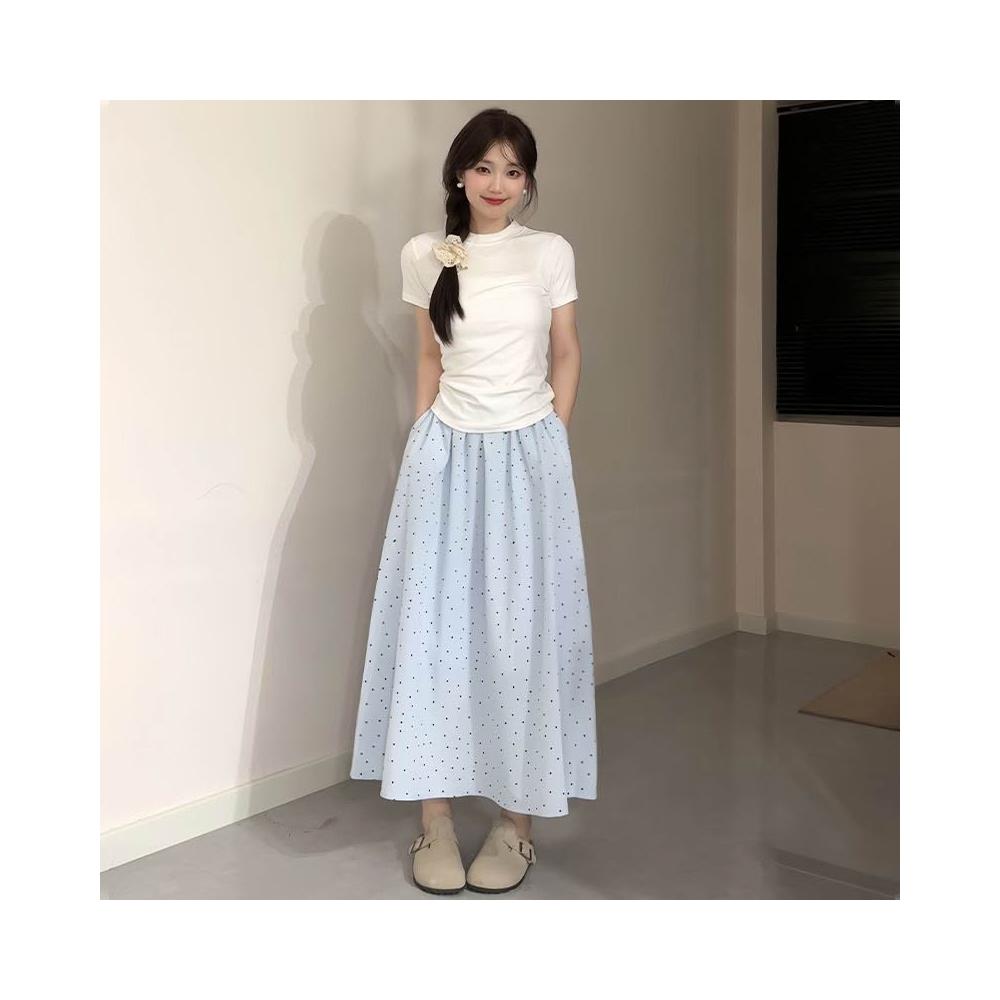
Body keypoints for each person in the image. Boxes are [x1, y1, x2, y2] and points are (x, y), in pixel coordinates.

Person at [350, 107, 597, 894]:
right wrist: (420, 444)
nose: (498, 184)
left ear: (527, 182)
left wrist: (552, 440)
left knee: (522, 637)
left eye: (513, 171)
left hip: (528, 453)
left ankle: (517, 824)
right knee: (435, 634)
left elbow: (566, 351)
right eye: (485, 167)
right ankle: (435, 820)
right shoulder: (424, 253)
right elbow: (428, 355)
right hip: (445, 452)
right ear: (459, 173)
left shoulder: (549, 252)